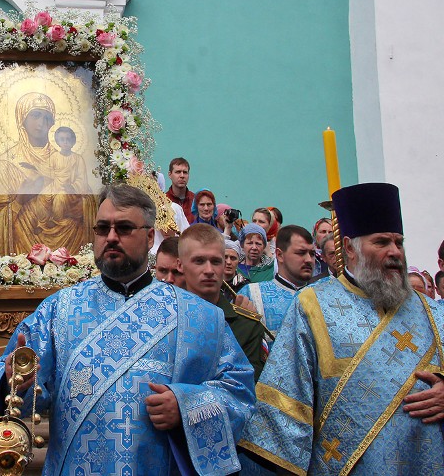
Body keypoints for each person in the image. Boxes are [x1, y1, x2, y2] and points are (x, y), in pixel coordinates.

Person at [0, 184, 255, 475]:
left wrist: (186, 406)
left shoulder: (199, 317)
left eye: (123, 228)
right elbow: (7, 381)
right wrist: (16, 382)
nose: (111, 237)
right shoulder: (58, 310)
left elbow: (239, 391)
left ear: (150, 237)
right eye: (102, 228)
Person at [239, 182, 444, 474]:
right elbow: (284, 408)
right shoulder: (312, 305)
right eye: (382, 242)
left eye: (399, 242)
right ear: (349, 247)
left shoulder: (433, 313)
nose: (395, 252)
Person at [0, 92, 97, 255]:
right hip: (22, 256)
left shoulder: (69, 158)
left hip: (70, 249)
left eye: (47, 118)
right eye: (35, 115)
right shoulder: (6, 164)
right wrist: (20, 200)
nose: (41, 123)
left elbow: (89, 202)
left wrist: (77, 203)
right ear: (22, 119)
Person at [177, 224, 267, 380]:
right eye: (199, 261)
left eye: (216, 262)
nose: (209, 270)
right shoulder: (167, 318)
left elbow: (247, 387)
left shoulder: (247, 326)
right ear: (180, 266)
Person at [238, 225, 314, 341]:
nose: (309, 259)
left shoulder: (320, 296)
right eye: (301, 253)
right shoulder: (252, 293)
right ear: (279, 255)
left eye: (312, 254)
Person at [164, 157, 195, 224]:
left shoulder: (195, 200)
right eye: (178, 172)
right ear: (170, 174)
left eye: (185, 172)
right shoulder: (163, 201)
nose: (182, 176)